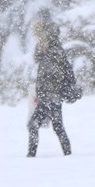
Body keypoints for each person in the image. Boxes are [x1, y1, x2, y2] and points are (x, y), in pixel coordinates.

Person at [27, 16, 72, 157]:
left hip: (50, 96)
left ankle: (31, 155)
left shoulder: (53, 51)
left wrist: (45, 91)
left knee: (34, 124)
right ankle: (68, 154)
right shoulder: (50, 50)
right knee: (57, 127)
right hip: (50, 96)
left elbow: (51, 75)